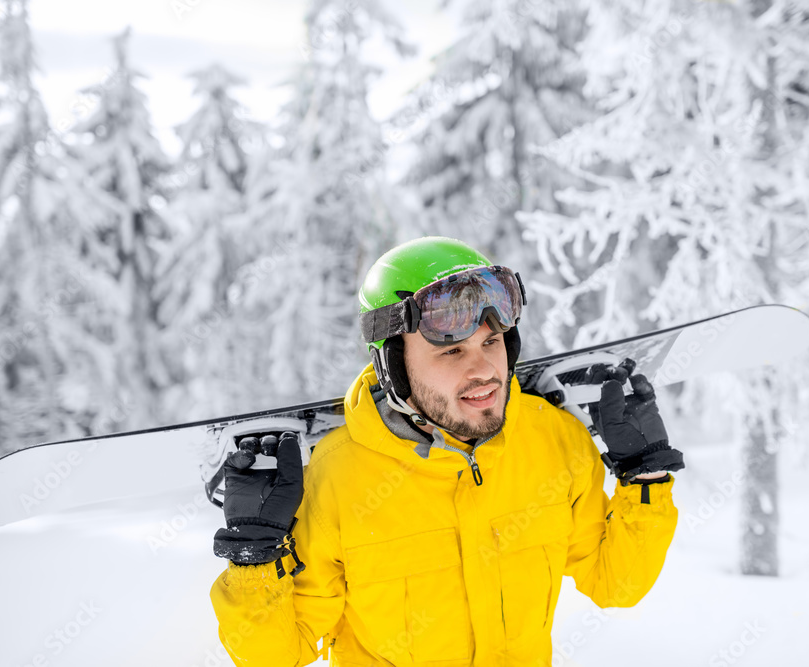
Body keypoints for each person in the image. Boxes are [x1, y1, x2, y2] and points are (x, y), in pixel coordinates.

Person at [209, 236, 684, 666]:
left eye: (492, 342)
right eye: (451, 352)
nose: (484, 370)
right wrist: (254, 563)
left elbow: (615, 583)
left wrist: (645, 481)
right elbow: (275, 657)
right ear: (393, 363)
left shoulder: (553, 441)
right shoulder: (334, 480)